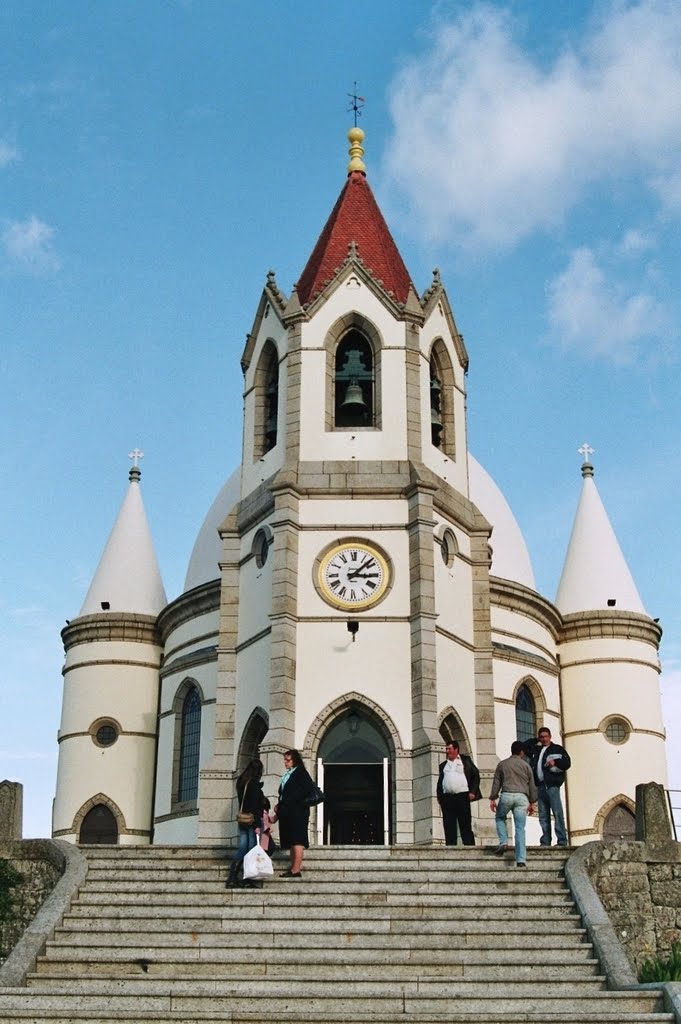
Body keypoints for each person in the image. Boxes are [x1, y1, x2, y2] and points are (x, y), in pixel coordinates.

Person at [489, 740, 537, 868]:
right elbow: (532, 785)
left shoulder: (502, 764)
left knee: (500, 817)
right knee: (520, 828)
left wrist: (493, 798)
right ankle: (521, 860)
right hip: (522, 797)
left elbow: (496, 782)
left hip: (507, 795)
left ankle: (504, 841)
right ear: (521, 752)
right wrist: (532, 802)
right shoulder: (526, 766)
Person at [226, 758, 269, 888]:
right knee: (250, 849)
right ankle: (244, 878)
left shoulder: (242, 782)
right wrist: (257, 825)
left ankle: (234, 877)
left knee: (243, 847)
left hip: (242, 819)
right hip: (251, 819)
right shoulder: (254, 784)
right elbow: (255, 805)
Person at [528, 727, 571, 847]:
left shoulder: (557, 749)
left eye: (546, 736)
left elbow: (567, 763)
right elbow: (525, 746)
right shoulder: (537, 750)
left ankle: (562, 841)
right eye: (541, 737)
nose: (544, 739)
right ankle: (545, 841)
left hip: (552, 786)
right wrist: (535, 740)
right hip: (540, 786)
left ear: (550, 736)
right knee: (543, 816)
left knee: (557, 813)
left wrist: (555, 762)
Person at [274, 748, 314, 877]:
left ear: (295, 760)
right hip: (287, 812)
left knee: (297, 839)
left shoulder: (301, 773)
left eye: (288, 760)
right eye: (284, 760)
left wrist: (289, 800)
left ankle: (296, 870)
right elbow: (284, 793)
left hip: (298, 812)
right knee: (291, 840)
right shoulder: (288, 774)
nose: (285, 762)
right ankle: (293, 867)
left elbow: (306, 790)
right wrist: (279, 806)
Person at [436, 740, 482, 846]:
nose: (447, 751)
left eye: (449, 749)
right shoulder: (443, 765)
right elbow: (440, 782)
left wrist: (473, 792)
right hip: (447, 798)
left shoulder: (465, 760)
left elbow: (476, 776)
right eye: (446, 749)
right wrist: (440, 797)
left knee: (465, 824)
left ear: (456, 749)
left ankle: (469, 847)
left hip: (462, 796)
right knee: (448, 825)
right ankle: (450, 847)